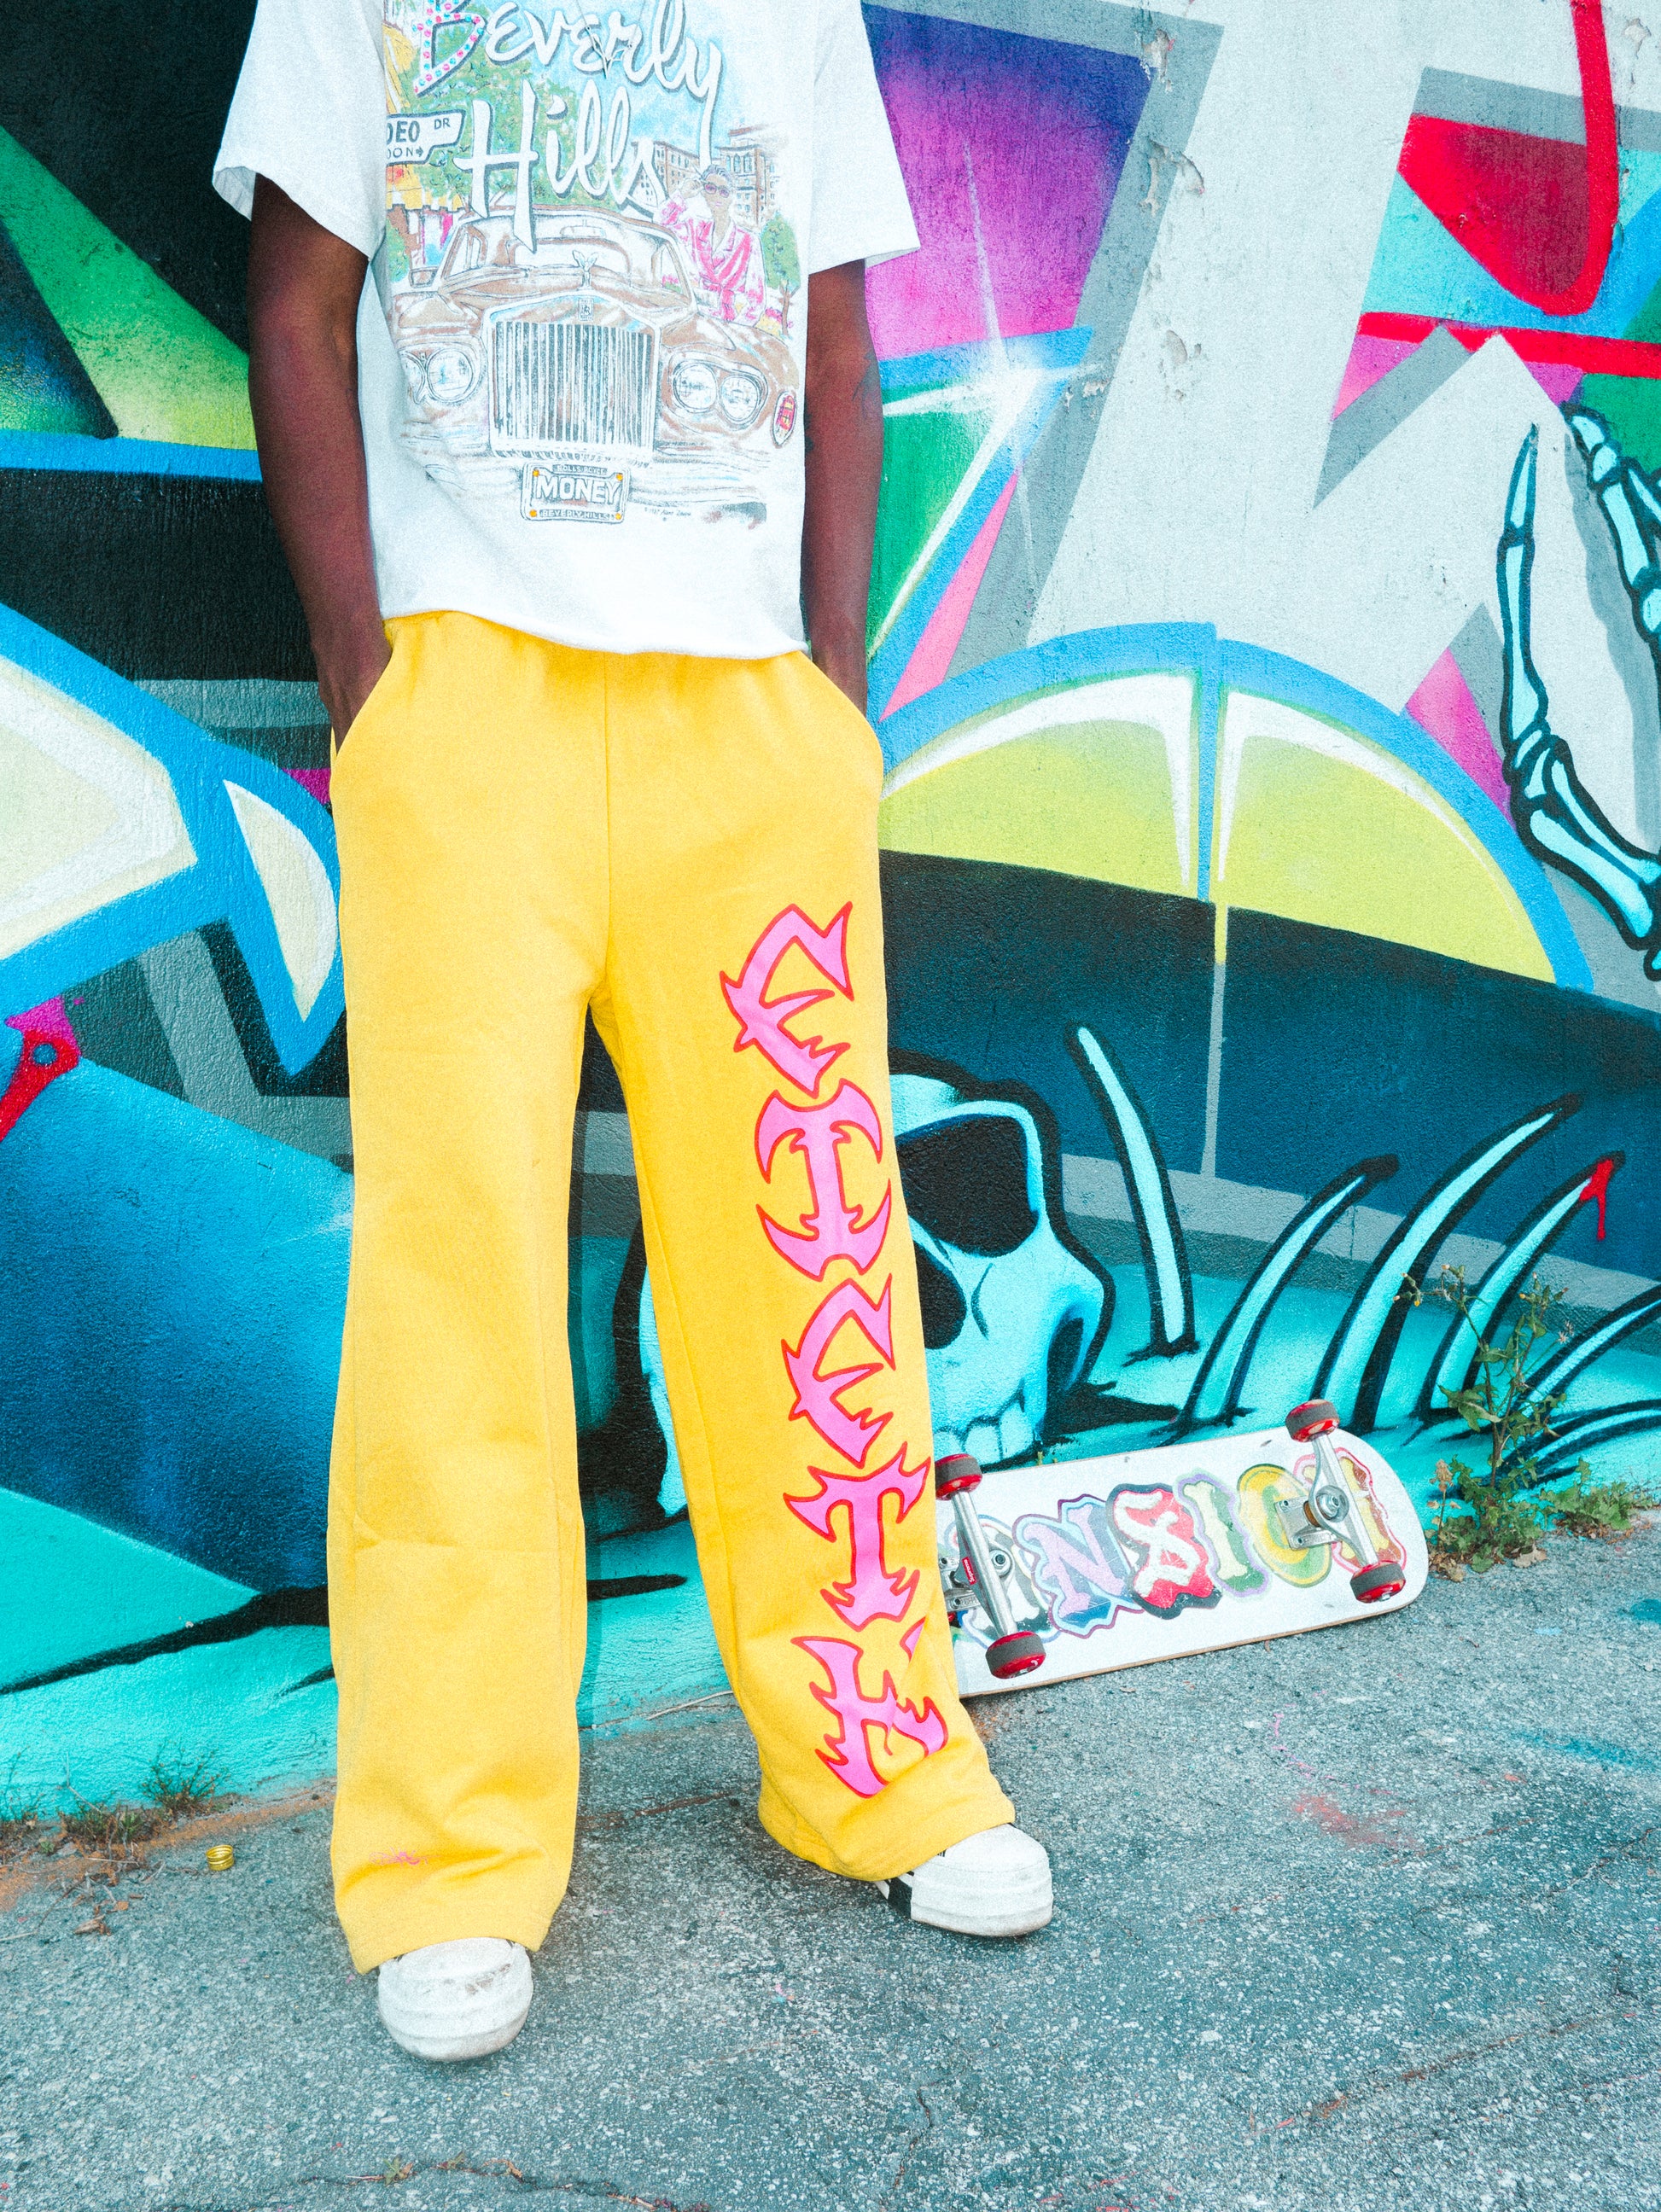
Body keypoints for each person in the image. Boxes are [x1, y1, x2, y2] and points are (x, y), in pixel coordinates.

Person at [215, 0, 1052, 2066]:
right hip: (470, 707)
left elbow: (835, 344)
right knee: (456, 1293)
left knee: (813, 1262)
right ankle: (447, 1858)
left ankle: (878, 1770)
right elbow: (296, 304)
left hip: (743, 729)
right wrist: (367, 684)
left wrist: (829, 700)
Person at [662, 163, 766, 324]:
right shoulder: (695, 228)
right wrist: (682, 194)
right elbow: (661, 225)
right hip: (695, 316)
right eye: (711, 188)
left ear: (732, 196)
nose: (717, 196)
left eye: (724, 191)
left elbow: (756, 303)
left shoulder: (748, 241)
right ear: (703, 192)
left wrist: (735, 329)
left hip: (727, 322)